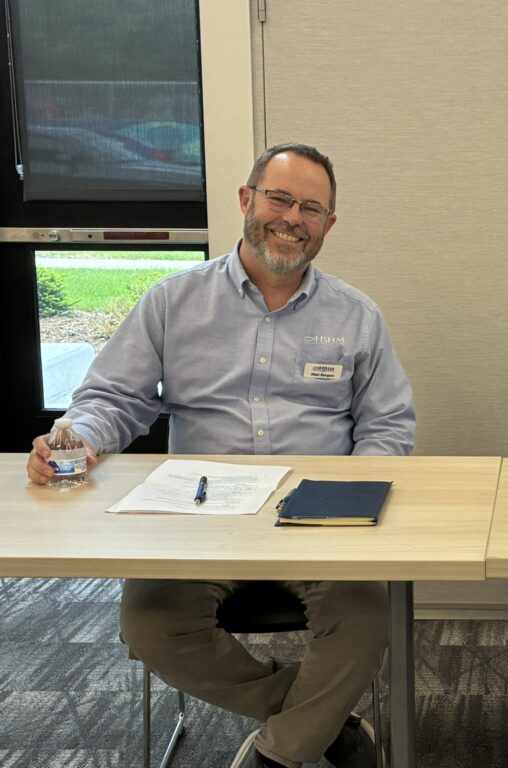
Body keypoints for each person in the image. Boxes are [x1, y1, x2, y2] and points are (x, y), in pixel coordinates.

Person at [26, 142, 415, 768]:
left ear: (328, 225)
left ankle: (278, 753)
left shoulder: (356, 316)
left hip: (317, 516)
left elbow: (388, 425)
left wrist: (355, 491)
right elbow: (114, 397)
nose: (292, 218)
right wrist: (79, 437)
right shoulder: (172, 302)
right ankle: (321, 722)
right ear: (247, 199)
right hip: (199, 515)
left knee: (367, 617)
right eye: (279, 198)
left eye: (311, 208)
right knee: (149, 622)